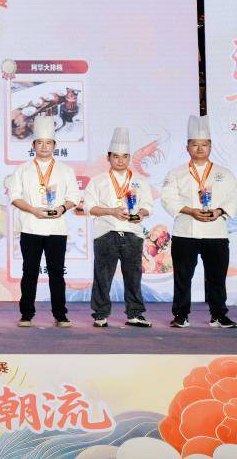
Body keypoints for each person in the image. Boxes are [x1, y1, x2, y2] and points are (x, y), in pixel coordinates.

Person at [162, 114, 237, 329]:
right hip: (185, 231)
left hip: (216, 232)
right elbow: (168, 198)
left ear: (210, 147)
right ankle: (181, 315)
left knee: (217, 277)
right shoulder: (176, 173)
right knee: (182, 277)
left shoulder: (224, 173)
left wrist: (219, 211)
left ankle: (219, 315)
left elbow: (234, 197)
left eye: (204, 144)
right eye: (195, 144)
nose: (199, 148)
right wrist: (190, 211)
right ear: (187, 147)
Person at [6, 115, 80, 328]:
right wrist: (32, 210)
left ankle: (60, 314)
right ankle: (26, 314)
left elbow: (74, 197)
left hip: (57, 228)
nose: (44, 146)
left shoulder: (66, 170)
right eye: (40, 143)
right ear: (33, 145)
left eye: (48, 143)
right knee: (29, 272)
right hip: (31, 227)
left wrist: (61, 209)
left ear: (55, 145)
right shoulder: (23, 169)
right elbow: (15, 197)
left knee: (57, 273)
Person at [84, 127, 154, 328]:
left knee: (133, 276)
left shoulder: (140, 181)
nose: (120, 161)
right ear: (109, 157)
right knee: (102, 276)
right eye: (116, 156)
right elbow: (89, 207)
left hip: (133, 233)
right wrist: (112, 211)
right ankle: (100, 314)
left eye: (124, 157)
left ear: (129, 158)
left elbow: (148, 206)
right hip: (106, 233)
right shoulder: (98, 181)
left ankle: (135, 314)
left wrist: (140, 214)